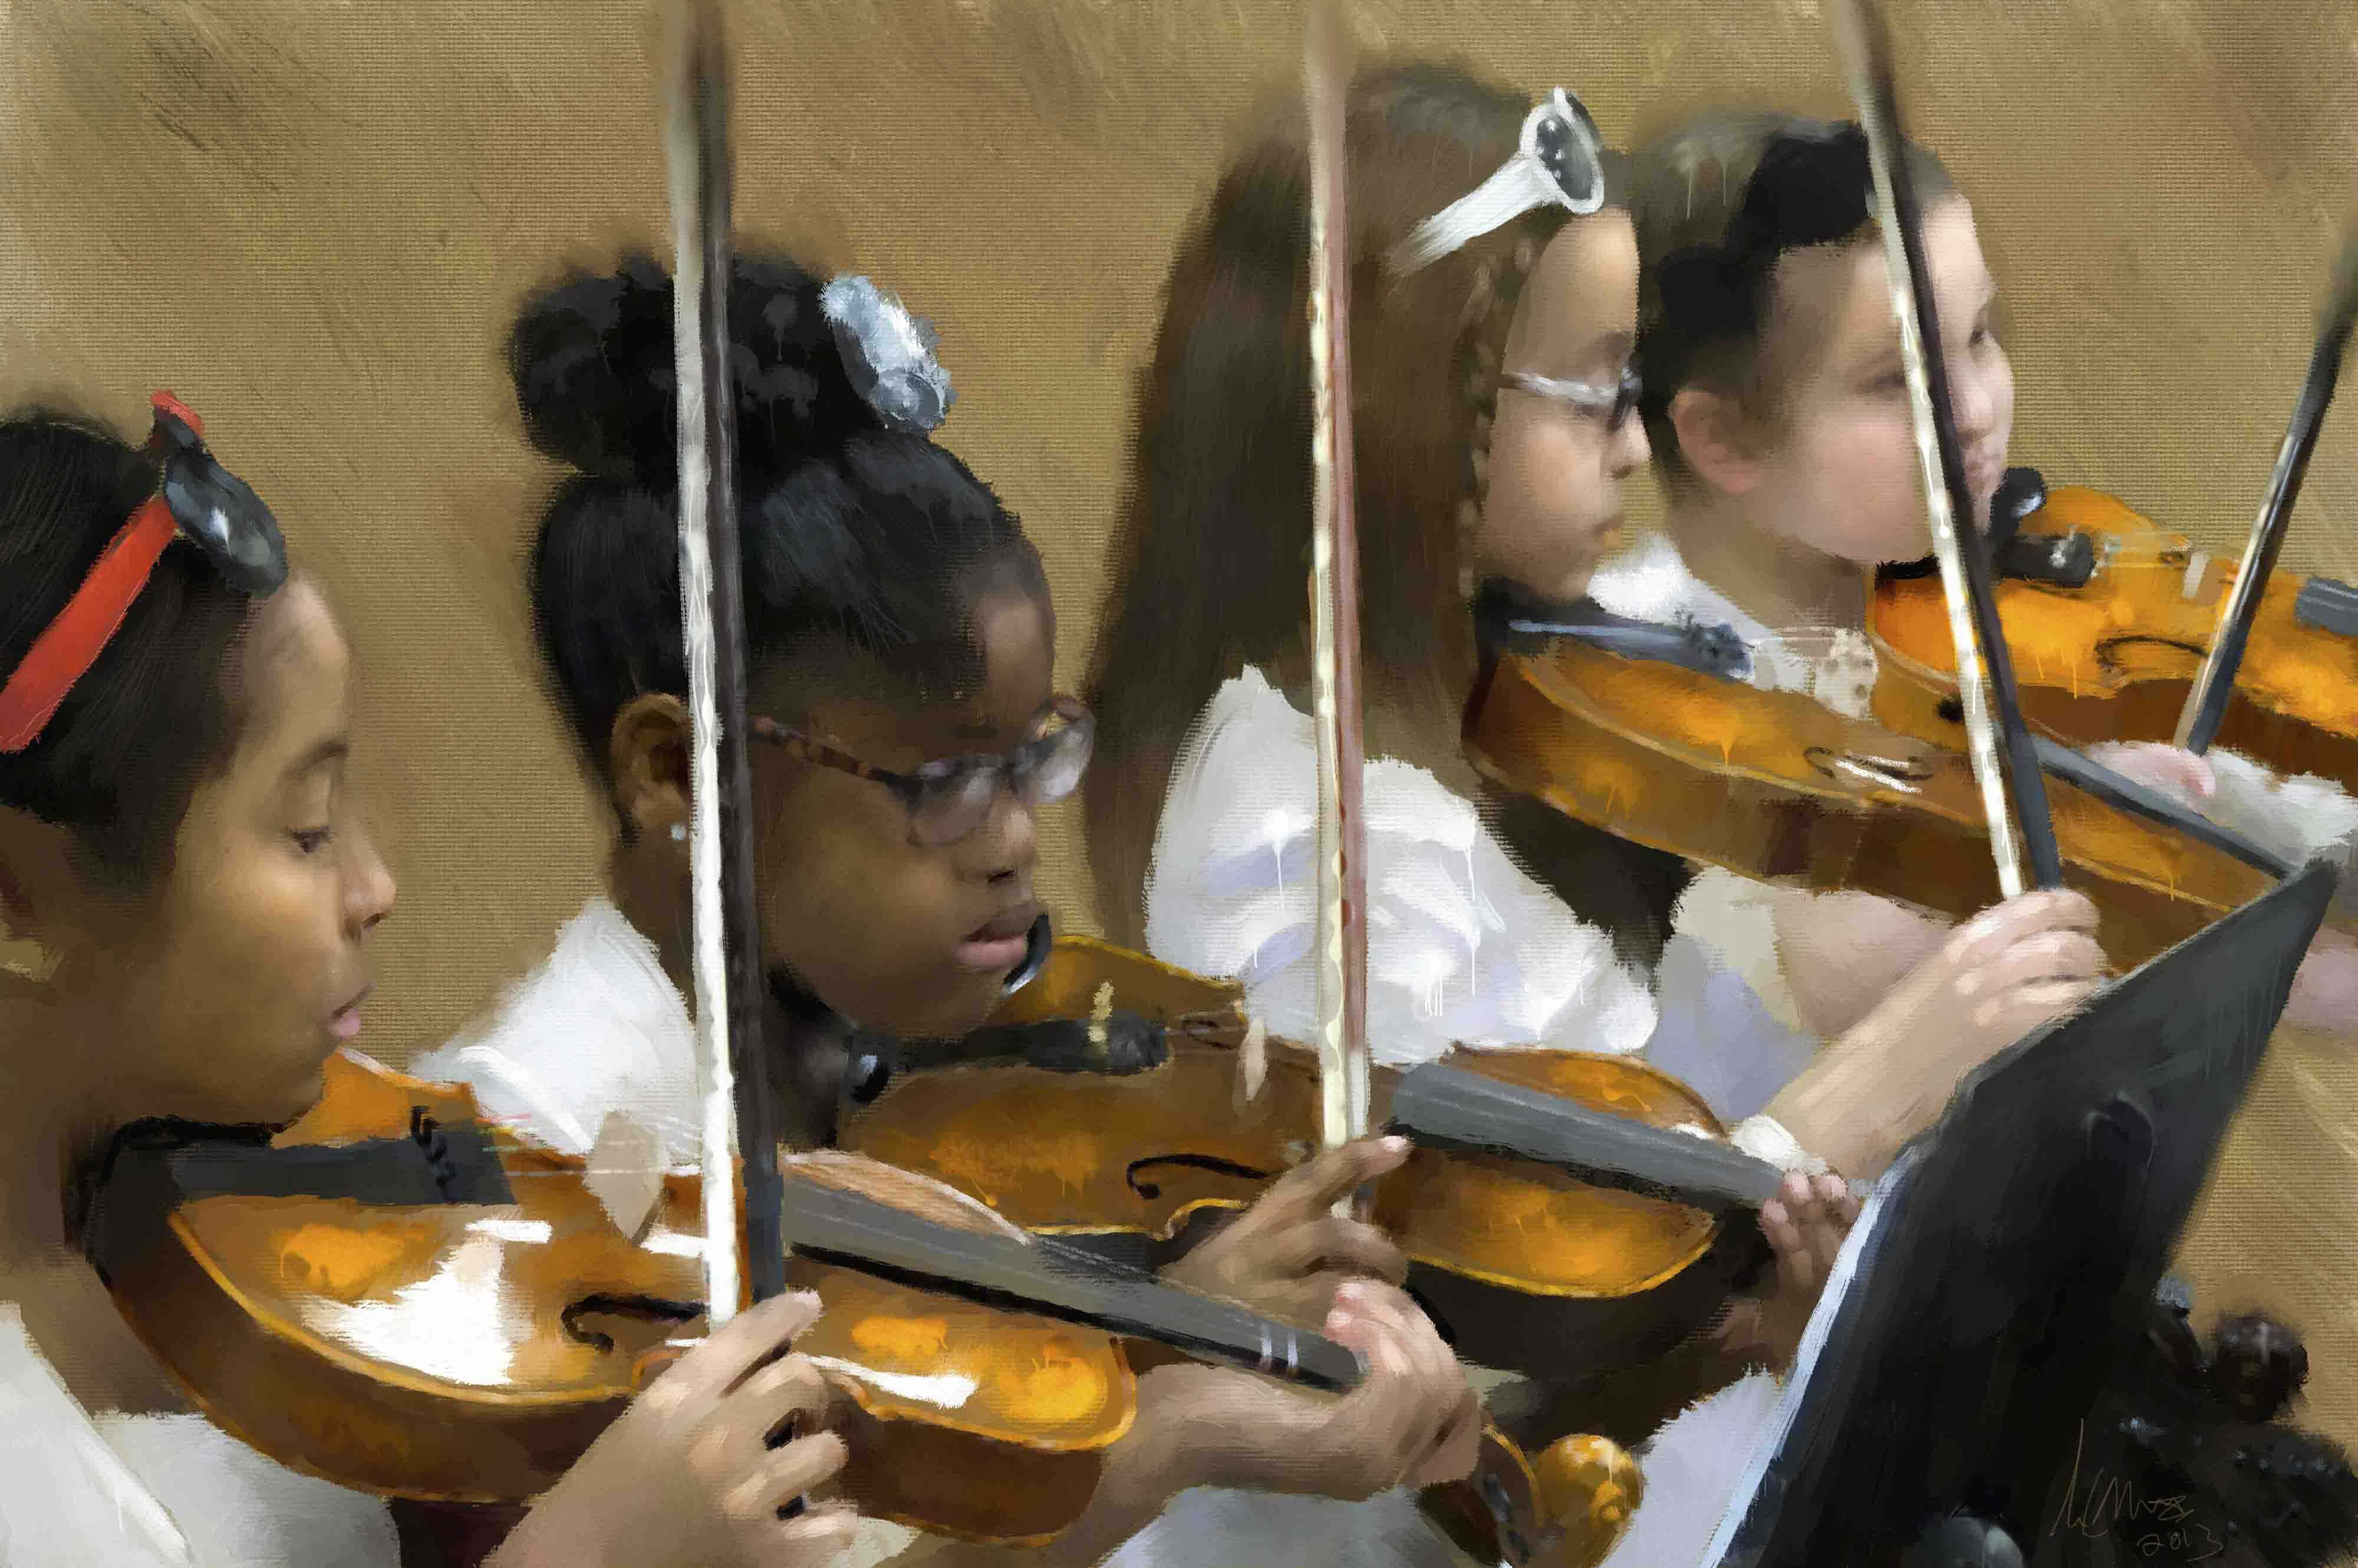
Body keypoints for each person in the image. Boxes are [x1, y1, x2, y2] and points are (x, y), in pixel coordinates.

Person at [1079, 61, 2105, 1568]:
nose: (1637, 448)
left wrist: (1750, 1307)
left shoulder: (1512, 706)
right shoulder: (1295, 833)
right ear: (1419, 415)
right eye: (1595, 394)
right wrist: (1866, 1084)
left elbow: (1600, 1339)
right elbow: (1431, 1373)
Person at [410, 253, 1481, 1568]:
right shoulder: (523, 1184)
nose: (1016, 837)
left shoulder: (906, 1089)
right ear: (674, 771)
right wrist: (1154, 1435)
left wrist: (1165, 1323)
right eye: (942, 780)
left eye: (1032, 757)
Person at [0, 397, 871, 1568]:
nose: (376, 883)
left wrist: (735, 1217)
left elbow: (551, 1173)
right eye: (307, 829)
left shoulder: (249, 1164)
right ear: (25, 895)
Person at [1604, 110, 2358, 1049]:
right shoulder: (1629, 693)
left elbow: (2300, 948)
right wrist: (2082, 833)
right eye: (1899, 380)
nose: (1976, 409)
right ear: (1724, 439)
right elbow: (1794, 980)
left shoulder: (2017, 603)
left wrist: (2266, 820)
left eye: (1981, 337)